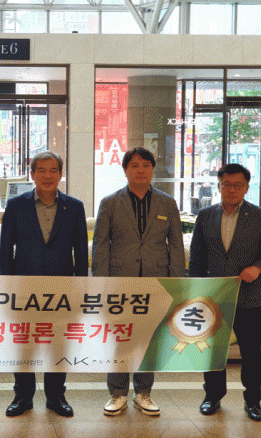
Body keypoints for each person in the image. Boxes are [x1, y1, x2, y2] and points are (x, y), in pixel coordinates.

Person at [92, 146, 185, 417]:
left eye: (145, 165)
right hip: (120, 281)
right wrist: (101, 284)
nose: (140, 170)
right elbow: (100, 245)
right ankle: (118, 393)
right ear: (125, 170)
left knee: (149, 338)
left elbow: (176, 245)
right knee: (120, 338)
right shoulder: (110, 203)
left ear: (153, 169)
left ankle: (143, 393)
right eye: (134, 166)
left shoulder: (167, 203)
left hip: (156, 281)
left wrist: (176, 283)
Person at [189, 163, 261, 422]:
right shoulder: (205, 216)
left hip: (249, 295)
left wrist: (258, 268)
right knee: (212, 351)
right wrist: (196, 292)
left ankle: (253, 401)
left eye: (238, 185)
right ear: (219, 186)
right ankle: (212, 396)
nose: (232, 189)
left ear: (246, 187)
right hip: (213, 296)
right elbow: (197, 255)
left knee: (251, 352)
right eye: (227, 184)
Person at [0, 150, 88, 418]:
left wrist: (80, 288)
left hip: (62, 288)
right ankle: (23, 396)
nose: (47, 176)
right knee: (23, 342)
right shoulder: (16, 205)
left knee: (57, 342)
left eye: (53, 171)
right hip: (24, 287)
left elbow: (81, 251)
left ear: (61, 174)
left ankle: (56, 396)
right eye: (41, 171)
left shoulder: (74, 207)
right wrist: (7, 287)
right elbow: (6, 250)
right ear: (32, 174)